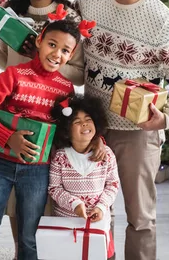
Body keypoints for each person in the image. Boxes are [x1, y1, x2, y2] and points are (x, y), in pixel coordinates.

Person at [74, 0, 169, 260]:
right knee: (99, 211)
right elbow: (62, 29)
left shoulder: (164, 22)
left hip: (138, 135)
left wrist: (167, 117)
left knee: (140, 217)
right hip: (93, 129)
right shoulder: (90, 2)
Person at [0, 0, 97, 257]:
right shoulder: (12, 17)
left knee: (44, 195)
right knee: (14, 202)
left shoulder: (69, 17)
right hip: (17, 114)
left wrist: (46, 58)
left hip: (52, 117)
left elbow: (77, 74)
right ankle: (22, 251)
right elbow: (5, 63)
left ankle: (43, 252)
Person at [0, 16, 94, 260]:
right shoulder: (14, 75)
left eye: (65, 50)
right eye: (52, 44)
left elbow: (69, 129)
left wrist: (95, 143)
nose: (57, 54)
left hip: (38, 170)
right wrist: (7, 137)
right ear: (39, 41)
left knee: (31, 237)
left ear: (71, 55)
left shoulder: (65, 88)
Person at [48, 94, 119, 259]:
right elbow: (54, 188)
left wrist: (101, 207)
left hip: (99, 225)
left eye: (88, 119)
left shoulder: (107, 154)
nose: (85, 124)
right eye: (77, 122)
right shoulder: (60, 157)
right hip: (68, 226)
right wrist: (75, 204)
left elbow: (112, 184)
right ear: (66, 130)